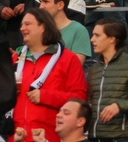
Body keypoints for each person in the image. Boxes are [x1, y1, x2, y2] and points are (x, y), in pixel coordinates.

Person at [10, 9, 87, 142]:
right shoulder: (15, 59)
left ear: (43, 27)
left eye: (27, 24)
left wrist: (46, 96)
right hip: (16, 136)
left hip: (48, 136)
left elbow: (79, 100)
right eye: (22, 25)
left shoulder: (68, 59)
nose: (22, 28)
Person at [38, 0, 91, 64]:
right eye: (40, 2)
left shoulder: (78, 30)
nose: (41, 7)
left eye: (46, 2)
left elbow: (75, 66)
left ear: (60, 5)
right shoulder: (38, 29)